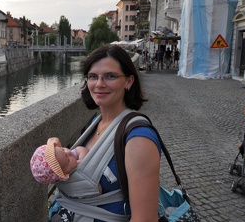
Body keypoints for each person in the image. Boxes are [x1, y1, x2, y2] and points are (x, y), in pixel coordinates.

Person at [49, 45, 161, 221]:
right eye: (93, 76)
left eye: (110, 76)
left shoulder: (138, 139)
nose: (99, 84)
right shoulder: (97, 123)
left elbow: (145, 219)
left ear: (129, 81)